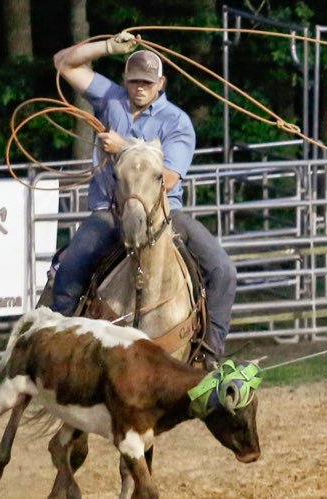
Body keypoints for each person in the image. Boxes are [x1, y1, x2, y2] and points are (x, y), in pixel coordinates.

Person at [49, 32, 237, 362]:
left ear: (160, 83)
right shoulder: (111, 99)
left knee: (223, 270)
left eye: (148, 83)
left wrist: (126, 147)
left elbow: (169, 177)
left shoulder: (176, 121)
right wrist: (108, 47)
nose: (140, 88)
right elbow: (64, 63)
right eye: (135, 80)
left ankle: (209, 354)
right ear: (125, 79)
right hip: (110, 211)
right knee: (69, 270)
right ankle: (59, 353)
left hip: (165, 215)